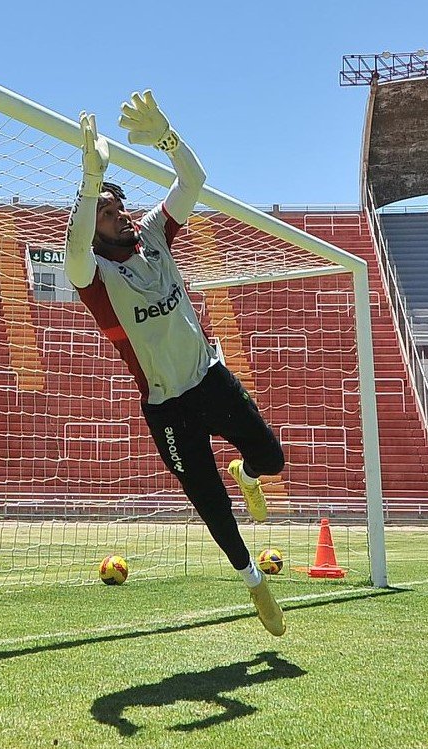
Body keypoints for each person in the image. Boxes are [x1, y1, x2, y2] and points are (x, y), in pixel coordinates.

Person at [64, 92, 286, 636]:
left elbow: (194, 181)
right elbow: (72, 245)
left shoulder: (156, 235)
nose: (118, 218)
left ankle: (248, 474)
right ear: (94, 228)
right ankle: (255, 582)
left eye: (119, 209)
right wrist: (89, 182)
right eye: (106, 214)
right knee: (210, 502)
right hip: (167, 408)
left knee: (272, 458)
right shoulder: (92, 278)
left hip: (211, 380)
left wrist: (167, 137)